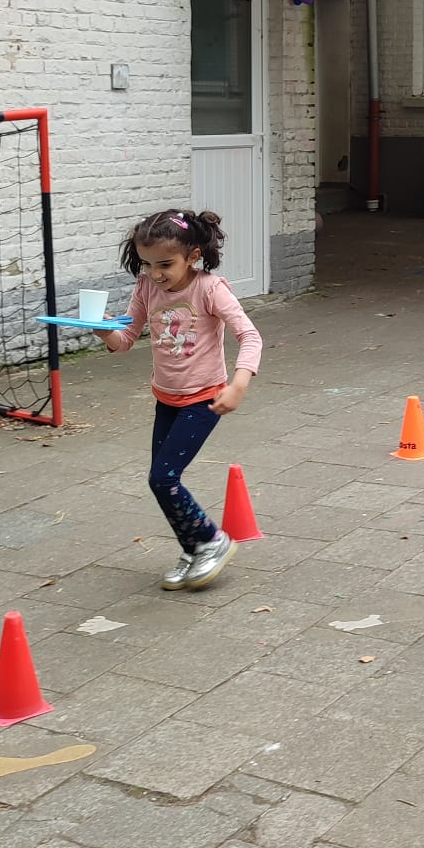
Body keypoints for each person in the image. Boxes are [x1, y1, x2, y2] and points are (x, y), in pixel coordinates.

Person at [93, 208, 261, 590]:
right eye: (148, 264)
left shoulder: (209, 289)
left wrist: (238, 384)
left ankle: (212, 541)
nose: (156, 274)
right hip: (165, 397)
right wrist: (104, 331)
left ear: (194, 255)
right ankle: (193, 548)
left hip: (205, 398)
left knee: (162, 477)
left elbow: (250, 337)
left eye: (165, 264)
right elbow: (124, 341)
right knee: (161, 481)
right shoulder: (146, 288)